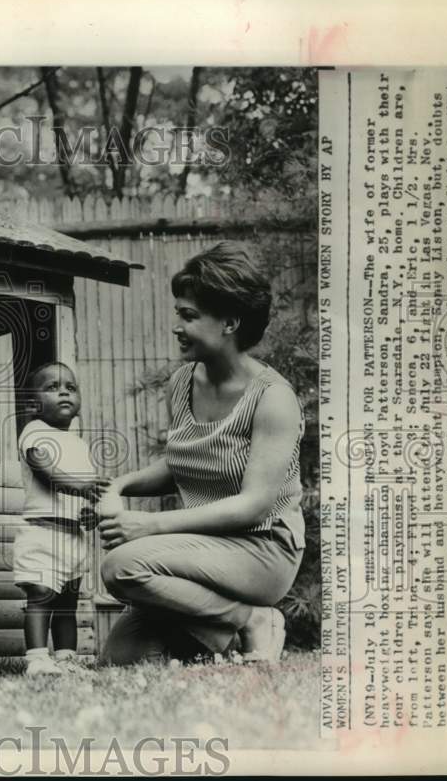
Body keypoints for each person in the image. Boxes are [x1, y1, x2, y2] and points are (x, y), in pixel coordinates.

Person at [93, 242, 306, 666]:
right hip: (205, 551)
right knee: (118, 661)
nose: (177, 326)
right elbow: (182, 461)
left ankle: (251, 621)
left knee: (121, 568)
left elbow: (254, 505)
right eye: (179, 314)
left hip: (263, 549)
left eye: (188, 316)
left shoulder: (273, 399)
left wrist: (150, 526)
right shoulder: (183, 381)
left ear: (229, 322)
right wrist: (120, 484)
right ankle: (215, 630)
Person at [14, 362, 110, 675]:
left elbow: (87, 491)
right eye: (52, 388)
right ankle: (37, 658)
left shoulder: (80, 445)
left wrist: (91, 512)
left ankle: (67, 658)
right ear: (33, 404)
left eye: (70, 387)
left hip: (72, 535)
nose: (64, 392)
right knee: (41, 595)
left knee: (68, 602)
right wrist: (81, 487)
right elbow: (46, 469)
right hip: (42, 531)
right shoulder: (34, 432)